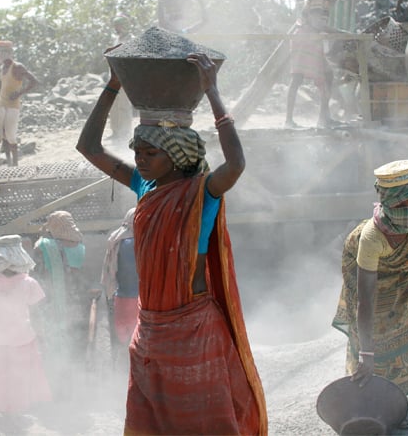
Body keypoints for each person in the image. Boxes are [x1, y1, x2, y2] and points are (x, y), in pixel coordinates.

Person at [76, 51, 267, 435]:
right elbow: (89, 147)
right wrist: (113, 85)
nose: (140, 160)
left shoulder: (203, 191)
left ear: (177, 156)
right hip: (150, 330)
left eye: (151, 153)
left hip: (194, 330)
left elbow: (236, 165)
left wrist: (213, 93)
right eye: (137, 152)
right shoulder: (143, 186)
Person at [332, 160, 408, 428]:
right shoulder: (371, 237)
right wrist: (366, 353)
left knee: (405, 338)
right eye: (402, 205)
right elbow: (366, 300)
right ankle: (365, 405)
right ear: (387, 203)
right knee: (374, 343)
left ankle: (395, 406)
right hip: (371, 281)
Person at [0, 235, 52, 423]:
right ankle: (15, 412)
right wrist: (41, 334)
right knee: (19, 376)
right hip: (22, 338)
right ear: (19, 255)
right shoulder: (29, 282)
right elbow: (36, 314)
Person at [32, 210, 91, 398]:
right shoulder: (81, 246)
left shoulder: (42, 246)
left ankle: (55, 388)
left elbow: (37, 275)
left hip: (52, 303)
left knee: (54, 342)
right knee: (75, 343)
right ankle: (76, 390)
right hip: (77, 303)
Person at [286, 0, 352, 128]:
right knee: (297, 77)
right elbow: (316, 23)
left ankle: (324, 118)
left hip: (313, 38)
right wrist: (342, 33)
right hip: (304, 38)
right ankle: (288, 121)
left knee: (327, 76)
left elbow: (319, 25)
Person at [100, 207, 138, 369]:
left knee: (121, 341)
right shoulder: (140, 241)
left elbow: (111, 272)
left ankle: (120, 371)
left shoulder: (117, 239)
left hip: (120, 297)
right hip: (140, 300)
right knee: (138, 341)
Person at [0, 57, 39, 166]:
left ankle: (15, 164)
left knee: (11, 136)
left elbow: (34, 81)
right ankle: (9, 163)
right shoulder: (2, 68)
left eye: (6, 53)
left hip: (13, 105)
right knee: (2, 134)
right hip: (1, 103)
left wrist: (19, 93)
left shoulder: (17, 67)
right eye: (1, 54)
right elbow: (2, 85)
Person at [107, 15, 135, 142]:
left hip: (125, 77)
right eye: (115, 26)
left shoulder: (131, 40)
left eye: (118, 26)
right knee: (113, 105)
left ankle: (125, 133)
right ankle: (115, 131)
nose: (116, 28)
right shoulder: (116, 39)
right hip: (114, 76)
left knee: (124, 105)